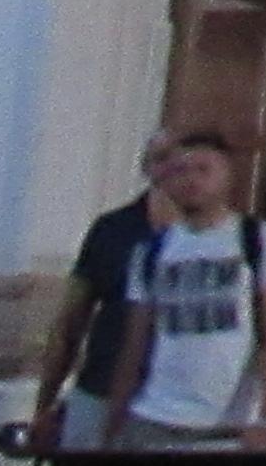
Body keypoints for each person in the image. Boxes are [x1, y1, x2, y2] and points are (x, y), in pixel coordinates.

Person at [109, 132, 266, 444]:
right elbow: (136, 342)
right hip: (154, 415)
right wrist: (116, 419)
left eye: (203, 170)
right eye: (182, 171)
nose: (191, 180)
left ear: (227, 177)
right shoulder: (152, 250)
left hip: (228, 421)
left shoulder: (259, 240)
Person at [31, 136, 186, 450]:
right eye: (161, 158)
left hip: (177, 402)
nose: (171, 168)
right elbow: (71, 321)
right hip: (101, 389)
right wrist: (45, 402)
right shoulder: (111, 230)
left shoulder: (218, 237)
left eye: (180, 160)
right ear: (146, 167)